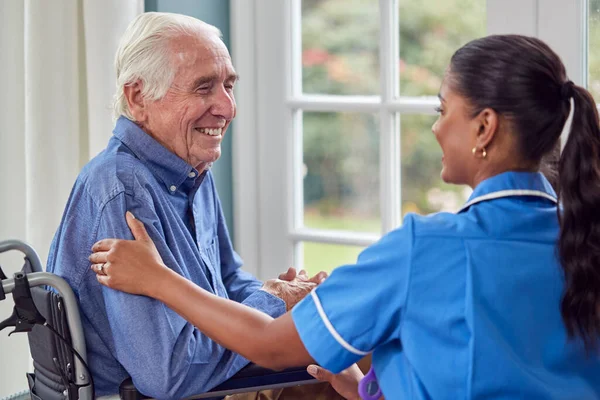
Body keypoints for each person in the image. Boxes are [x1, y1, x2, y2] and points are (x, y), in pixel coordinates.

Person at [89, 34, 600, 399]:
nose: (436, 129)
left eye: (443, 110)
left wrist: (157, 279)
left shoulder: (427, 248)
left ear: (484, 128)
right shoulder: (584, 239)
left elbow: (270, 347)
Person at [47, 12, 330, 399]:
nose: (228, 108)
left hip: (211, 385)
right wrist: (272, 303)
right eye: (203, 88)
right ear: (138, 97)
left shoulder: (191, 167)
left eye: (229, 85)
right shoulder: (122, 188)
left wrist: (285, 297)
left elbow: (227, 281)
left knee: (350, 358)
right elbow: (170, 374)